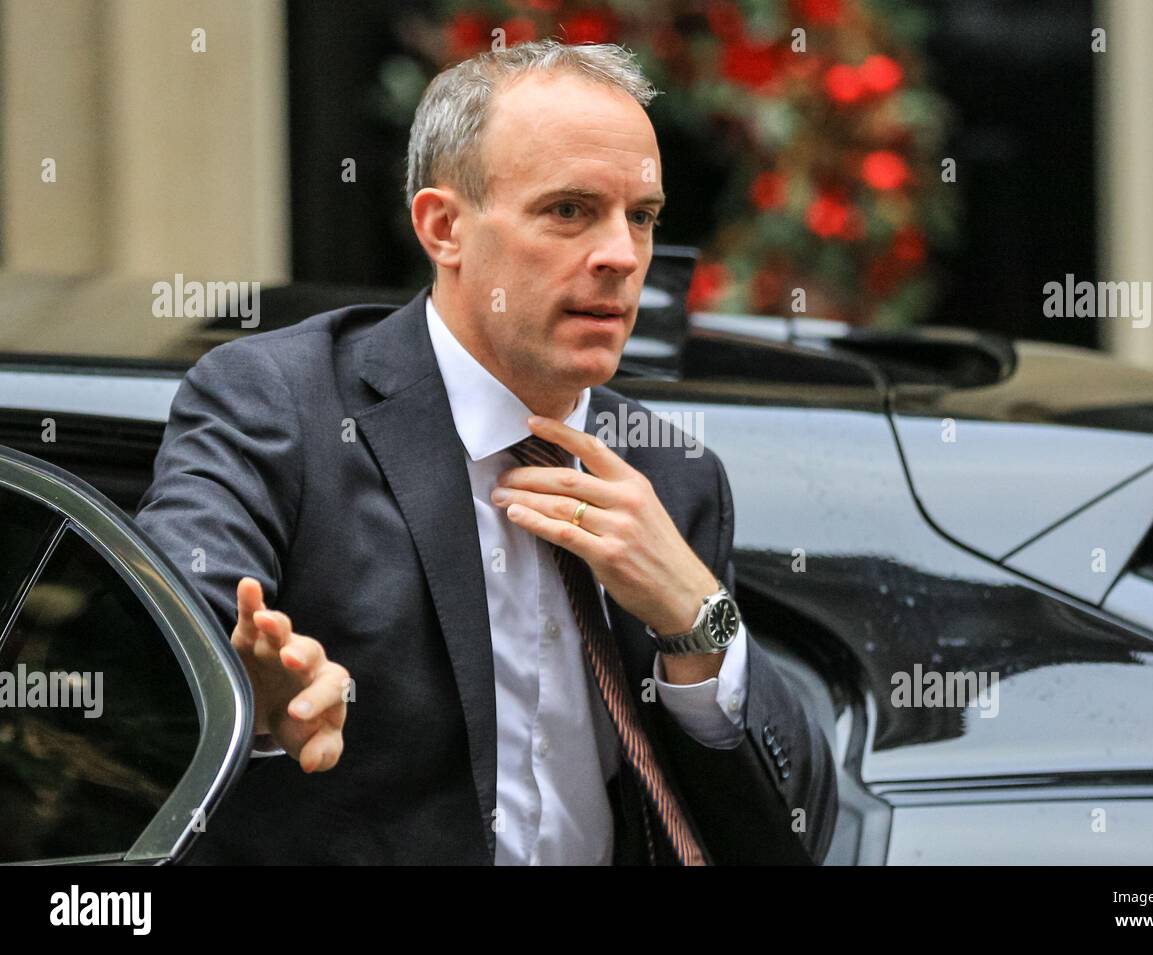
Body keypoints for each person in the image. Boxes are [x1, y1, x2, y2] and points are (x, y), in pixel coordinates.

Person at [135, 38, 836, 865]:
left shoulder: (669, 473)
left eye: (640, 216)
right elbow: (157, 649)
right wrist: (242, 696)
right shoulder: (282, 403)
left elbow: (792, 829)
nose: (621, 256)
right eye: (569, 210)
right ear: (444, 227)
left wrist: (699, 621)